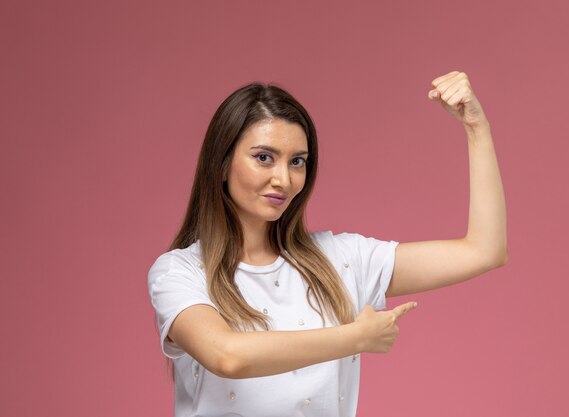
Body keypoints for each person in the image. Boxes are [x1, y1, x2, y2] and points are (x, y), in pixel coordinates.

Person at [147, 71, 507, 417]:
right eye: (263, 158)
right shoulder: (179, 272)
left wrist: (477, 128)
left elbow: (484, 251)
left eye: (297, 162)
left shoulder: (341, 259)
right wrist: (355, 338)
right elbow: (227, 356)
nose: (283, 179)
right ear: (222, 163)